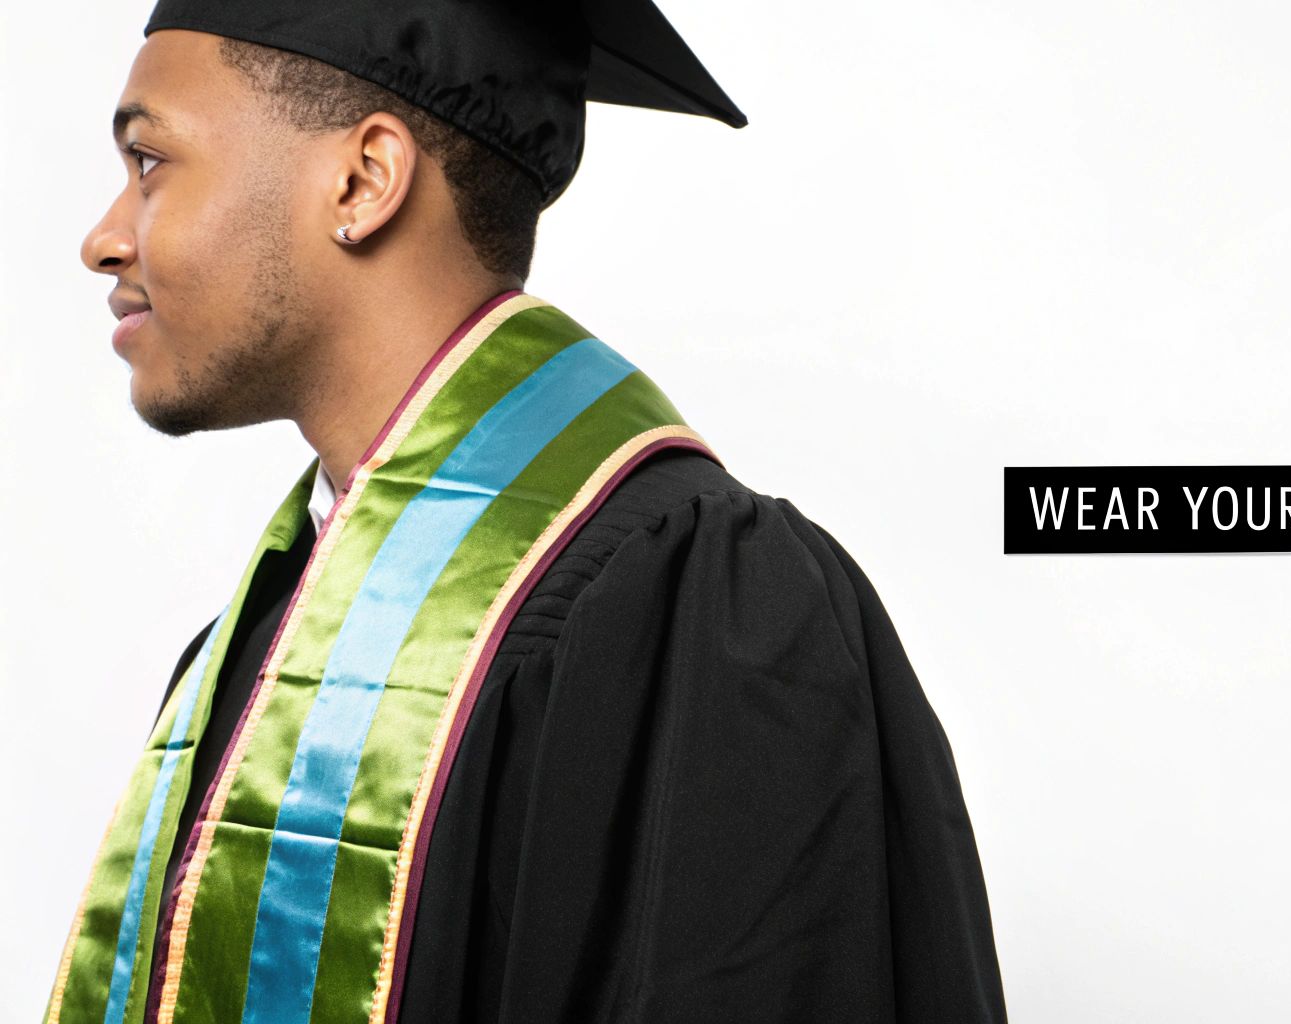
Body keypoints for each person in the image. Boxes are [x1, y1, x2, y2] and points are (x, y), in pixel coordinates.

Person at [44, 2, 1006, 1022]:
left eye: (149, 162)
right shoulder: (252, 648)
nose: (103, 240)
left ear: (363, 180)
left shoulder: (710, 612)